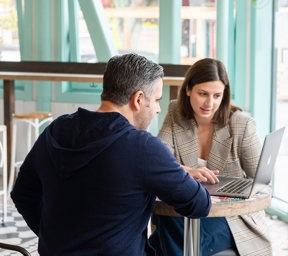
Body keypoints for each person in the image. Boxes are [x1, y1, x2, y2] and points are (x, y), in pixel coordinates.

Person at [10, 53, 212, 256]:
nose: (158, 109)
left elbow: (22, 194)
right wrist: (177, 172)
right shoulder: (143, 147)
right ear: (138, 99)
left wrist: (54, 240)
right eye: (157, 100)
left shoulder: (57, 130)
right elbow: (199, 204)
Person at [149, 58, 272, 256]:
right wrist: (189, 171)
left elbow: (261, 180)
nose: (210, 103)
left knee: (163, 235)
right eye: (203, 94)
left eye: (217, 95)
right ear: (188, 89)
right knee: (170, 219)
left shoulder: (241, 123)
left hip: (230, 217)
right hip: (187, 207)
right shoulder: (175, 112)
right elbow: (159, 161)